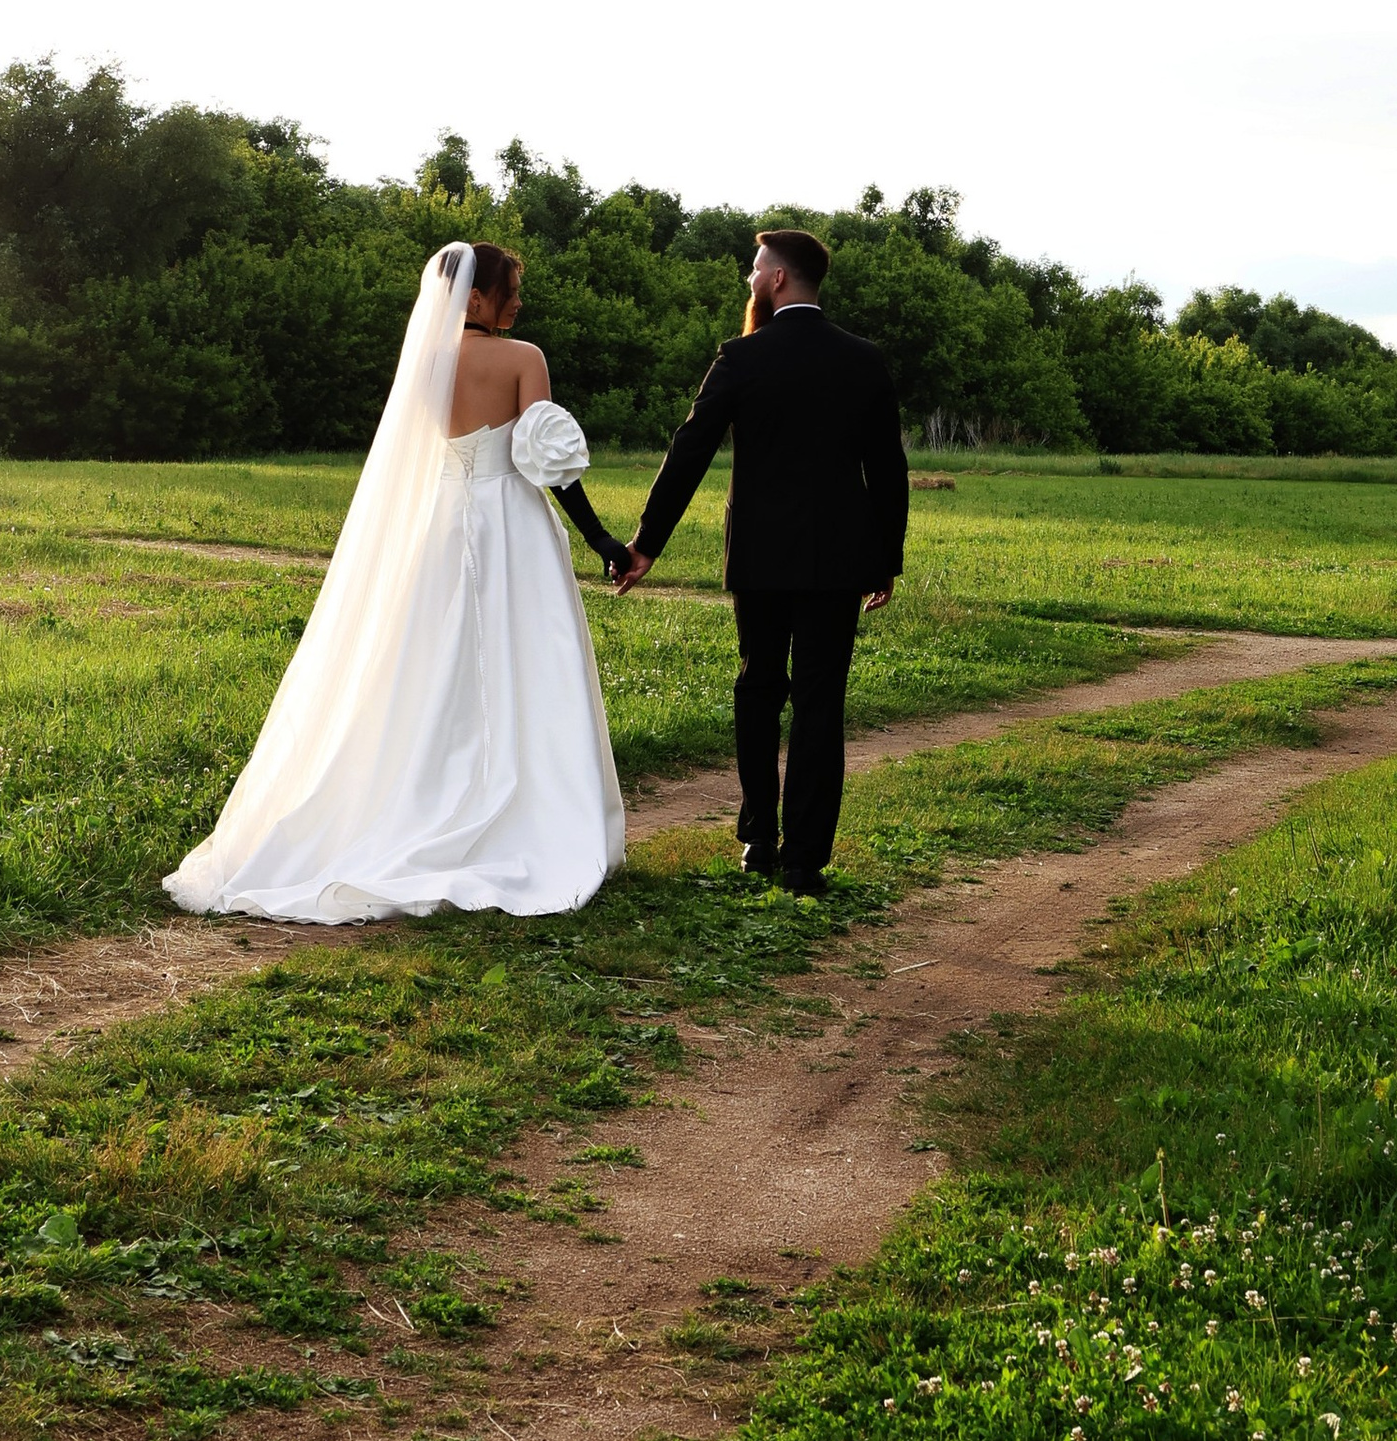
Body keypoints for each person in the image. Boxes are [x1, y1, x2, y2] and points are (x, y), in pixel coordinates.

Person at [165, 240, 626, 922]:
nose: (520, 301)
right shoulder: (524, 359)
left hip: (439, 523)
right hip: (511, 526)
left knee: (427, 662)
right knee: (526, 658)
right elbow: (543, 464)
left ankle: (420, 794)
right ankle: (525, 805)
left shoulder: (425, 362)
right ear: (475, 297)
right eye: (513, 289)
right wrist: (603, 541)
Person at [617, 225, 906, 896]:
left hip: (759, 559)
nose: (750, 279)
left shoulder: (741, 358)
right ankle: (804, 861)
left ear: (778, 279)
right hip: (837, 562)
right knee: (819, 701)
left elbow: (689, 451)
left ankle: (757, 841)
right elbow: (888, 470)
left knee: (758, 688)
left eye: (755, 269)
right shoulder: (863, 361)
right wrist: (883, 560)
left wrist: (646, 544)